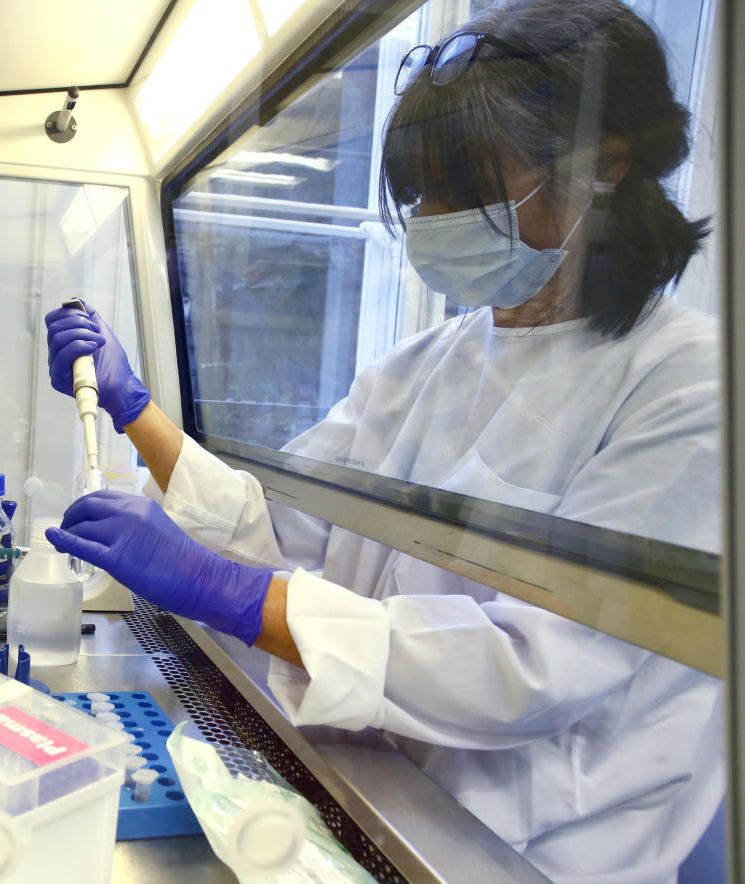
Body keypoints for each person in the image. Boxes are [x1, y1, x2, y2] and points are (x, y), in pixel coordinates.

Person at [43, 1, 722, 882]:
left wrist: (235, 595)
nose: (434, 216)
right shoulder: (430, 362)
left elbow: (532, 670)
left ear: (604, 165)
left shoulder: (691, 389)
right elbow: (285, 529)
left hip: (525, 855)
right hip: (370, 793)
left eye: (465, 187)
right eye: (420, 193)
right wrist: (137, 412)